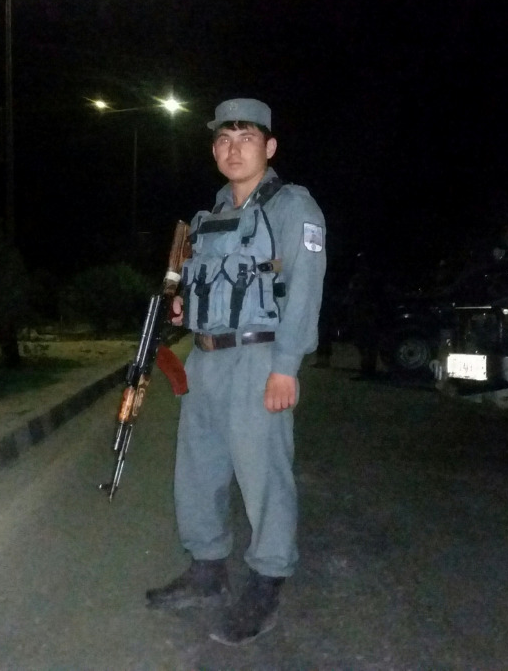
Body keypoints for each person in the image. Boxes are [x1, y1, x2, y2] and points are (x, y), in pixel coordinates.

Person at [146, 98, 326, 646]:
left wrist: (286, 368)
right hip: (204, 359)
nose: (233, 148)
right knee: (198, 471)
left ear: (269, 147)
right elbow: (205, 285)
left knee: (263, 474)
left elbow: (303, 291)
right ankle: (207, 570)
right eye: (224, 139)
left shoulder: (294, 206)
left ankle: (268, 578)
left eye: (246, 137)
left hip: (259, 359)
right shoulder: (206, 217)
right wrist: (185, 310)